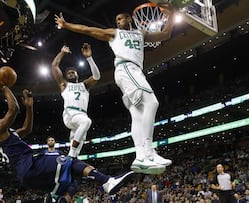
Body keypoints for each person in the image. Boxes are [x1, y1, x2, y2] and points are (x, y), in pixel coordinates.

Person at [54, 3, 174, 174]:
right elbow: (88, 29)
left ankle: (141, 156)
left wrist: (171, 15)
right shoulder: (114, 33)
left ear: (129, 19)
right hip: (126, 69)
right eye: (116, 20)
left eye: (120, 18)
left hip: (133, 72)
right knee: (152, 103)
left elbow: (166, 34)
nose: (117, 22)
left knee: (138, 113)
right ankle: (149, 151)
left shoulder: (140, 33)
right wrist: (67, 25)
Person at [0, 77, 135, 203]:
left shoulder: (7, 135)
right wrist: (4, 88)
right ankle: (107, 181)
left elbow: (27, 129)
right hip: (29, 166)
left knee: (72, 182)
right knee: (69, 161)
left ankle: (62, 199)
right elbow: (13, 109)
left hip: (27, 176)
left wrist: (30, 107)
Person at [51, 43, 100, 158]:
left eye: (73, 72)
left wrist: (89, 58)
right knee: (86, 122)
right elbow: (54, 66)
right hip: (71, 114)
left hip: (81, 114)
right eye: (69, 73)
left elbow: (97, 76)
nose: (71, 74)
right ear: (66, 76)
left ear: (77, 74)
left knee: (76, 153)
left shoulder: (85, 85)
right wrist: (62, 53)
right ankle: (72, 151)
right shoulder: (64, 85)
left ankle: (71, 159)